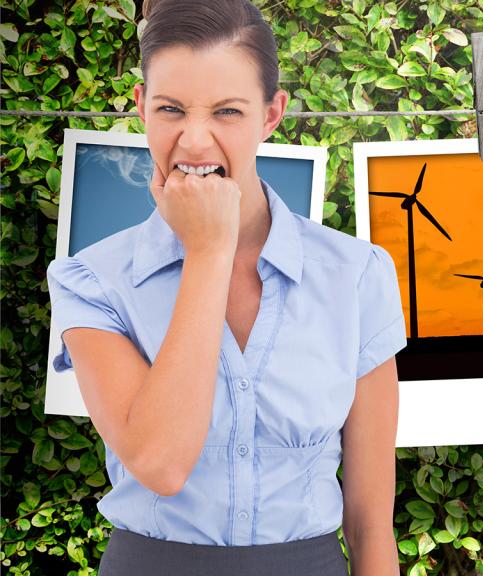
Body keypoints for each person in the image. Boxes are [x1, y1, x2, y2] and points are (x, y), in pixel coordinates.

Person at [45, 1, 405, 574]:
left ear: (271, 115)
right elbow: (160, 462)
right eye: (170, 109)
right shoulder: (92, 281)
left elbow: (369, 524)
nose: (194, 140)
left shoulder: (356, 275)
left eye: (228, 112)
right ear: (141, 109)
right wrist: (209, 252)